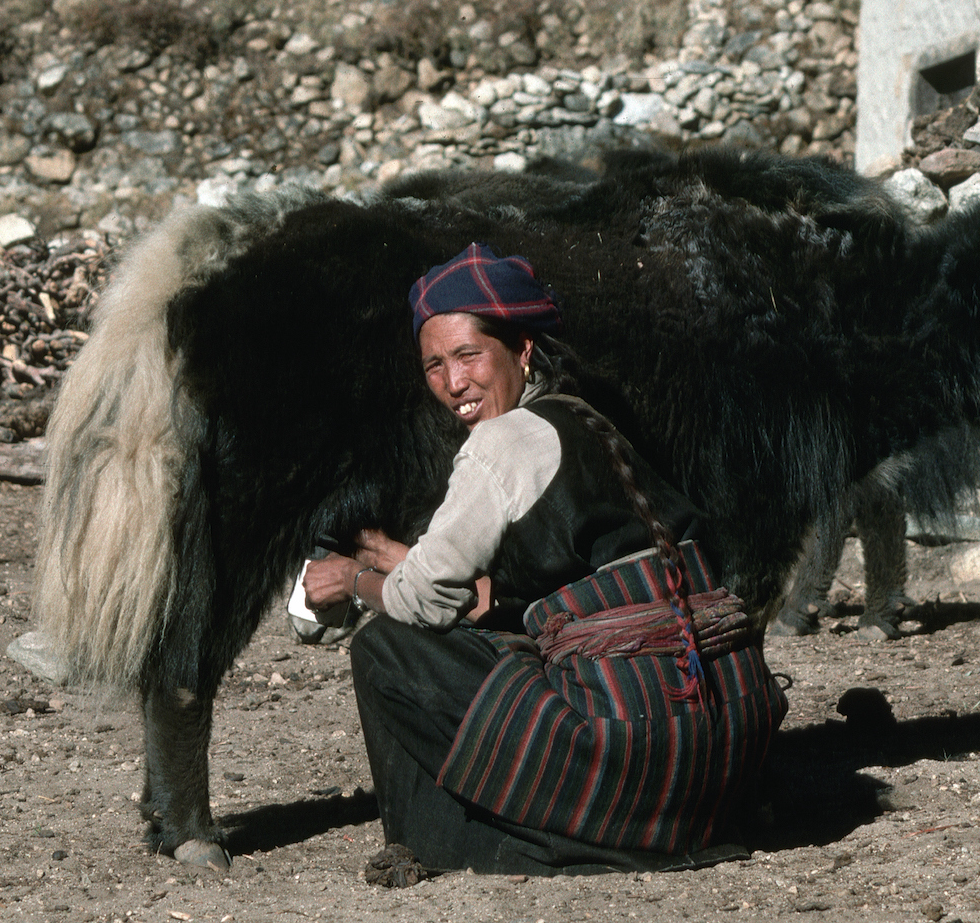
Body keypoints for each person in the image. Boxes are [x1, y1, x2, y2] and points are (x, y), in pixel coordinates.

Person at [303, 243, 787, 881]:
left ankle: (437, 841)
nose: (453, 384)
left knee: (386, 649)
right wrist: (390, 557)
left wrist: (352, 578)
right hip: (728, 743)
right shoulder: (589, 421)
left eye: (469, 355)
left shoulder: (500, 444)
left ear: (522, 349)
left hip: (643, 743)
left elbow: (423, 602)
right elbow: (502, 585)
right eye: (435, 366)